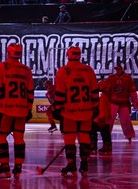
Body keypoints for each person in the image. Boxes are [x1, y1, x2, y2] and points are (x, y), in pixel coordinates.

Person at [0, 42, 34, 180]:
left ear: (8, 52)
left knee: (1, 137)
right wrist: (29, 109)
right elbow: (30, 92)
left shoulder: (2, 67)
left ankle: (5, 166)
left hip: (6, 108)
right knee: (19, 138)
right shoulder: (26, 70)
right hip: (21, 109)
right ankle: (18, 168)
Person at [53, 46, 99, 177]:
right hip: (86, 110)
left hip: (69, 111)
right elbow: (95, 92)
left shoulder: (63, 71)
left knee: (69, 139)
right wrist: (94, 106)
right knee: (84, 137)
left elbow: (60, 94)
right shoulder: (88, 70)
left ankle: (71, 164)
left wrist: (57, 108)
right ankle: (84, 165)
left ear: (68, 55)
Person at [106, 63, 138, 142]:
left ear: (122, 69)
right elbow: (107, 90)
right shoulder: (111, 78)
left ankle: (129, 135)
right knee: (109, 119)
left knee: (126, 120)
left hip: (124, 102)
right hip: (113, 102)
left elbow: (132, 91)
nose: (117, 70)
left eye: (119, 68)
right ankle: (106, 135)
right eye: (116, 69)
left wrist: (135, 101)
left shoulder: (128, 78)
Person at [91, 77, 113, 154]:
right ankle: (105, 145)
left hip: (102, 117)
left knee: (102, 131)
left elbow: (103, 107)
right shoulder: (104, 95)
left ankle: (96, 144)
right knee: (103, 131)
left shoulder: (104, 96)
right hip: (102, 116)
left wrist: (101, 117)